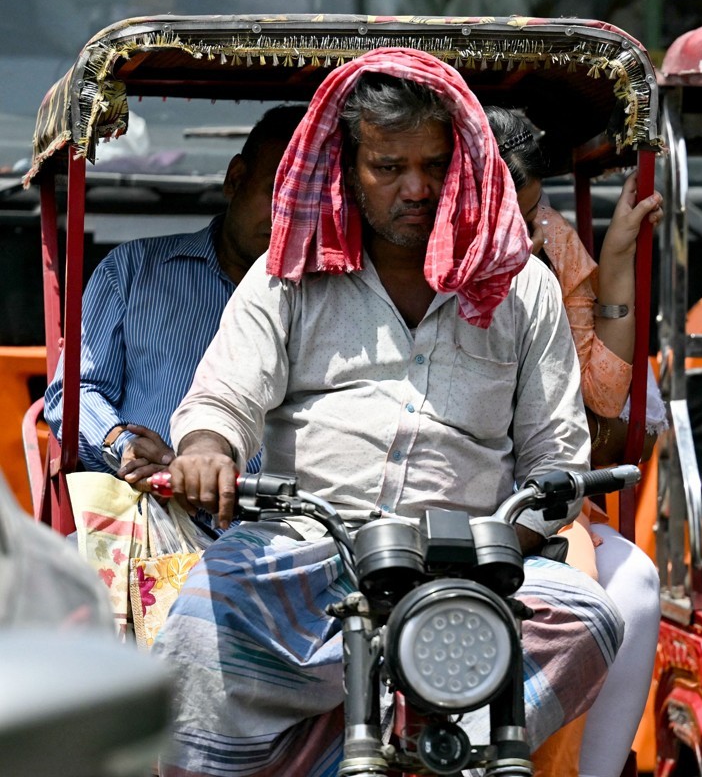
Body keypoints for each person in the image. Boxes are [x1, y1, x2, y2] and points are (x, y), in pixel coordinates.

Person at [154, 49, 622, 775]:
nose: (417, 188)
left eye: (435, 165)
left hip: (469, 568)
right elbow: (223, 398)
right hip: (307, 553)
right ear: (347, 167)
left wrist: (509, 543)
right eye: (388, 166)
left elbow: (554, 452)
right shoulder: (289, 272)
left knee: (591, 617)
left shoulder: (523, 288)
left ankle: (440, 751)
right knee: (195, 630)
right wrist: (209, 447)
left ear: (463, 164)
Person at [487, 106, 664, 777]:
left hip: (535, 498)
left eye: (533, 214)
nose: (524, 234)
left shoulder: (547, 247)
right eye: (511, 216)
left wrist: (614, 262)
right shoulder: (405, 257)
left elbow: (599, 402)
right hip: (425, 497)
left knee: (636, 586)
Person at [43, 105, 306, 496]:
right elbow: (74, 394)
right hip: (151, 507)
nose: (289, 217)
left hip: (285, 524)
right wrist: (124, 447)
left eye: (309, 202)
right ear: (235, 179)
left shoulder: (331, 294)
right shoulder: (133, 269)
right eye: (278, 193)